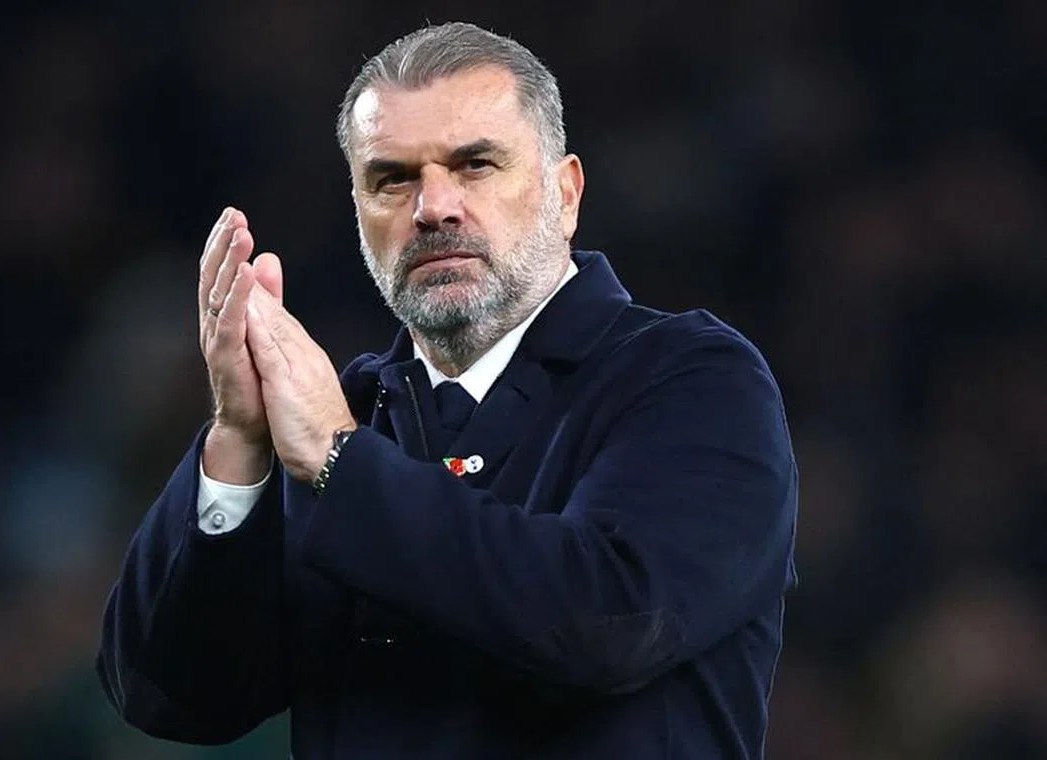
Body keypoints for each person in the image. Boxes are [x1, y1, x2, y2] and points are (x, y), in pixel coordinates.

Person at [96, 21, 798, 760]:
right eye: (392, 178)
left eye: (474, 165)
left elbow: (610, 622)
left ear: (565, 193)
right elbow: (167, 693)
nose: (432, 207)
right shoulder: (338, 417)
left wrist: (342, 464)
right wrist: (239, 438)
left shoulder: (691, 378)